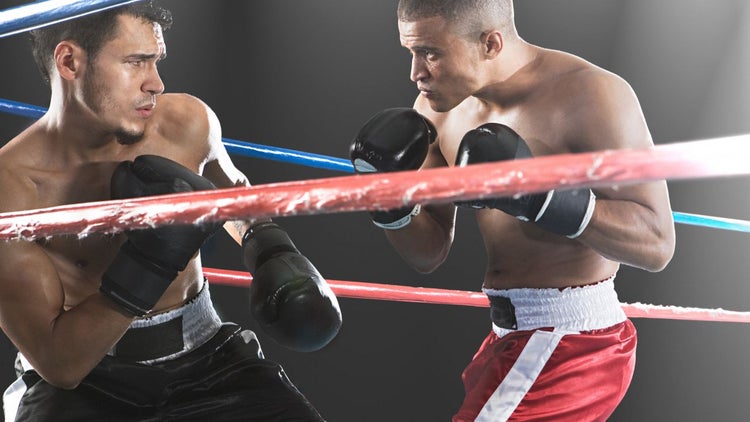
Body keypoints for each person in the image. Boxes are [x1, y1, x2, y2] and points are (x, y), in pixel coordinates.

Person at [0, 2, 341, 421]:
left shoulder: (186, 123)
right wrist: (150, 261)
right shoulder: (12, 188)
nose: (156, 83)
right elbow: (61, 364)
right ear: (70, 62)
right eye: (136, 62)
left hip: (210, 359)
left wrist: (270, 247)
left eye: (156, 60)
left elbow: (233, 193)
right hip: (88, 381)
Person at [349, 0, 676, 420]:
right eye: (411, 52)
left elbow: (656, 243)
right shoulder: (434, 110)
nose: (416, 73)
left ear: (490, 43)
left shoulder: (590, 95)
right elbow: (428, 253)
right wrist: (387, 201)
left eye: (430, 53)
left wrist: (540, 197)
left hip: (574, 342)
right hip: (510, 336)